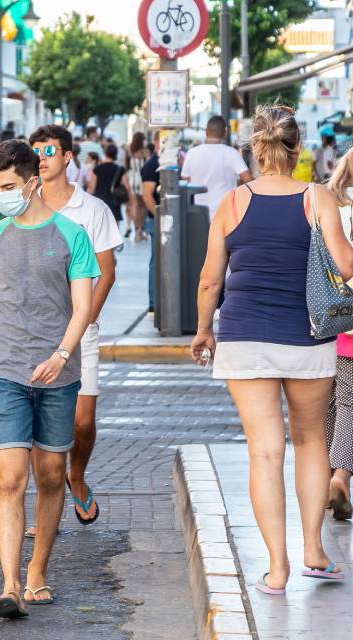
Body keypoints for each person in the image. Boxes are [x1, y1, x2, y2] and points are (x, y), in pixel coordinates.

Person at [191, 105, 353, 594]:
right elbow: (345, 266)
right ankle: (314, 552)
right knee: (310, 442)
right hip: (307, 336)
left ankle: (277, 570)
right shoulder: (317, 198)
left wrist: (203, 331)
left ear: (255, 151)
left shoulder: (233, 203)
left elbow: (209, 280)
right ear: (297, 148)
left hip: (244, 337)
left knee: (264, 452)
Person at [0, 140, 99, 618]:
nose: (0, 195)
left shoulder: (71, 234)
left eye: (7, 186)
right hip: (4, 369)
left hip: (58, 374)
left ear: (31, 182)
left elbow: (83, 306)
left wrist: (61, 354)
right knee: (10, 478)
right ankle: (8, 584)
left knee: (50, 477)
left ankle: (37, 572)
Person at [24, 126, 122, 540]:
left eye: (49, 152)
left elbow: (107, 272)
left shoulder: (92, 209)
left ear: (68, 157)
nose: (42, 159)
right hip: (33, 330)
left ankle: (75, 476)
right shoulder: (23, 206)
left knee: (81, 423)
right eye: (36, 153)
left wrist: (83, 321)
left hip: (82, 331)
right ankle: (44, 504)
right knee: (38, 423)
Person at [326, 150, 353, 520]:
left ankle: (324, 479)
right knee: (349, 400)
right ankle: (340, 475)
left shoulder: (328, 206)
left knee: (328, 400)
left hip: (324, 312)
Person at [181, 117, 252, 221]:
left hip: (198, 213)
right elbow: (248, 179)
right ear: (225, 133)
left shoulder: (192, 153)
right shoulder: (232, 153)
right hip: (226, 213)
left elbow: (185, 179)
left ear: (206, 132)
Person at [88, 143, 132, 226]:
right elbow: (127, 187)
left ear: (105, 153)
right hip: (114, 203)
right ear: (116, 154)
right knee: (115, 232)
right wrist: (129, 200)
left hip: (99, 203)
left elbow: (91, 188)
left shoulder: (97, 168)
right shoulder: (119, 169)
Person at [141, 143, 160, 312]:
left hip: (160, 219)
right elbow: (146, 195)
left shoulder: (168, 162)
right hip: (156, 220)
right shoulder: (151, 165)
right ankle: (154, 301)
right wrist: (158, 216)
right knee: (156, 261)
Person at [126, 132, 149, 240]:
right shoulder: (144, 151)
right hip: (142, 179)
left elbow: (125, 166)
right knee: (143, 206)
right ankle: (142, 229)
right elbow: (148, 164)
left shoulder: (129, 150)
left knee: (135, 205)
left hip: (132, 179)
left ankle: (137, 230)